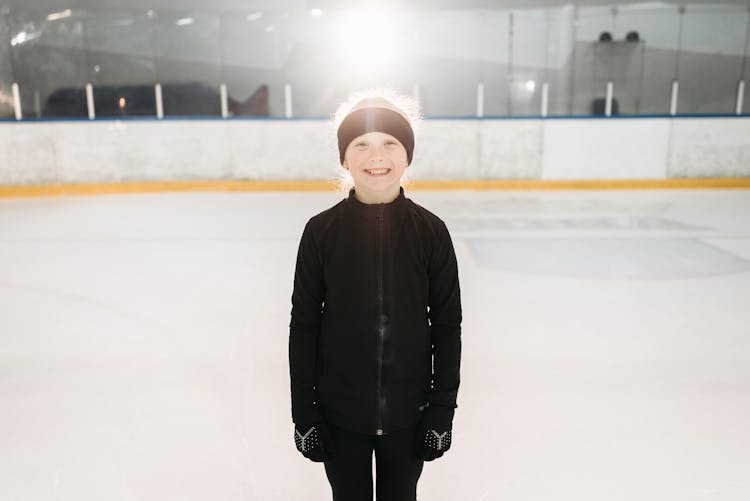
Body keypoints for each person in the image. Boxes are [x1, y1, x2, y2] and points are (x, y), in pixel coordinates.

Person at [288, 88, 462, 501]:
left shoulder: (431, 233)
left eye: (390, 143)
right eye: (360, 144)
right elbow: (304, 326)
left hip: (409, 415)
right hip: (338, 415)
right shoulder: (321, 232)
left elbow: (447, 326)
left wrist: (441, 410)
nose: (376, 155)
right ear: (345, 158)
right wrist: (304, 411)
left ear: (407, 155)